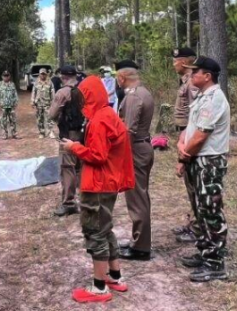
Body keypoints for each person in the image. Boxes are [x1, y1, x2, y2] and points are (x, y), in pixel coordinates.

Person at [61, 76, 135, 303]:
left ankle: (99, 287)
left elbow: (98, 155)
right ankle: (115, 276)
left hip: (98, 184)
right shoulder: (107, 114)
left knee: (95, 232)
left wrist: (74, 147)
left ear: (90, 95)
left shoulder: (99, 120)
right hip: (108, 182)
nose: (80, 101)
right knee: (105, 228)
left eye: (83, 96)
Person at [178, 57, 231, 282]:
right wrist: (183, 148)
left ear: (207, 76)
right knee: (199, 209)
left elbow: (201, 136)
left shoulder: (215, 99)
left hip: (208, 161)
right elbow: (190, 130)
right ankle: (205, 252)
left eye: (195, 72)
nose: (191, 75)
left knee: (210, 210)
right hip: (197, 159)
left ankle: (216, 262)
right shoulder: (202, 97)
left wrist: (183, 155)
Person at [115, 61, 155, 261]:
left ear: (121, 78)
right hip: (143, 146)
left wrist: (121, 157)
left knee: (137, 199)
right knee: (141, 196)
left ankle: (140, 247)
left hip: (135, 150)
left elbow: (128, 130)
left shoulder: (133, 97)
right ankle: (140, 240)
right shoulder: (144, 92)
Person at [171, 47, 201, 243]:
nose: (173, 65)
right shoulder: (185, 81)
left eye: (175, 61)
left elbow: (195, 116)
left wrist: (186, 149)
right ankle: (194, 223)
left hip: (190, 139)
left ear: (183, 62)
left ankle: (198, 227)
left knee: (195, 186)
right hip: (185, 137)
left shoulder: (192, 83)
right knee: (190, 185)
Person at [49, 65, 85, 216]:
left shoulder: (62, 92)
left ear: (63, 77)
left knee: (67, 167)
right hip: (83, 133)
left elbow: (52, 114)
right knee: (80, 167)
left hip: (68, 135)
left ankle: (69, 203)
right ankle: (85, 199)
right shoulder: (83, 90)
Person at [31, 68, 55, 138]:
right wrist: (32, 101)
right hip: (38, 104)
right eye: (41, 74)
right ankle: (41, 132)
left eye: (44, 74)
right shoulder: (36, 83)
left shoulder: (50, 83)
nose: (43, 75)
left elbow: (53, 93)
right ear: (39, 74)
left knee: (49, 118)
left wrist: (53, 102)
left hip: (47, 104)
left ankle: (50, 132)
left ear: (46, 74)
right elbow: (33, 92)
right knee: (39, 119)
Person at [0, 71, 19, 139]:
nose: (6, 77)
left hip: (11, 106)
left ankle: (14, 134)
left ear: (9, 76)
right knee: (3, 121)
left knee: (13, 120)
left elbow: (15, 94)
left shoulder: (12, 84)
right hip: (3, 106)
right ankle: (4, 134)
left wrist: (16, 102)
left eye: (7, 76)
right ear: (2, 76)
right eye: (4, 76)